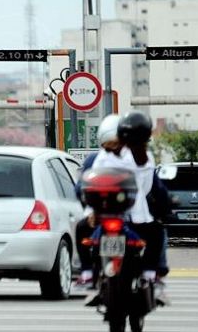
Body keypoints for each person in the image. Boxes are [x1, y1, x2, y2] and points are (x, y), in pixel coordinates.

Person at [95, 110, 167, 305]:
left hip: (117, 215)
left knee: (156, 233)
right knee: (157, 233)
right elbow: (147, 188)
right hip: (128, 216)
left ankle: (94, 276)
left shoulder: (106, 156)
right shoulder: (142, 158)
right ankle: (150, 274)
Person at [74, 113, 122, 288]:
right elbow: (81, 188)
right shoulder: (94, 160)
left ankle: (149, 273)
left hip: (128, 213)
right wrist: (90, 210)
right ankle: (87, 271)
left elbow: (147, 186)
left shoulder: (133, 158)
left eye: (116, 143)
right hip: (101, 213)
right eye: (108, 144)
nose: (113, 148)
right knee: (81, 228)